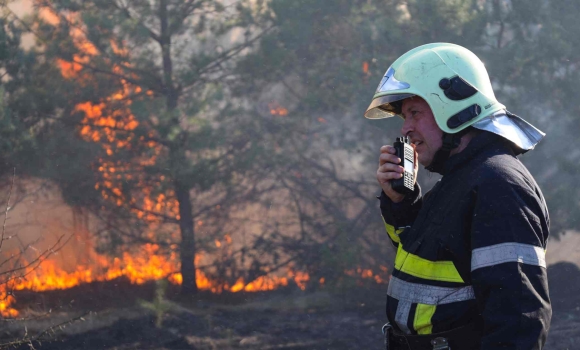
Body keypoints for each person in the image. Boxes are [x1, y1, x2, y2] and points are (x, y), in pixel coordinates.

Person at [364, 43, 551, 349]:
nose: (406, 128)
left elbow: (518, 323)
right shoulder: (460, 179)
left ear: (455, 107)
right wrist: (401, 204)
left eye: (414, 112)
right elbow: (425, 264)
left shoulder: (499, 185)